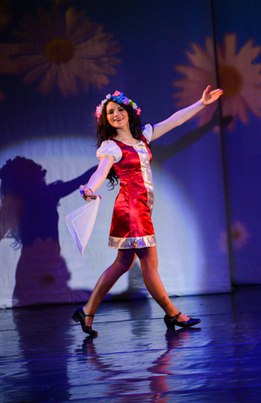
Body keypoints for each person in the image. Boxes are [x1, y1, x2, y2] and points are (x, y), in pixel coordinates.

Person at [72, 85, 223, 337]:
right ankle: (173, 314)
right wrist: (89, 188)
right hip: (131, 211)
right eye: (110, 112)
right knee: (149, 265)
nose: (116, 115)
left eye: (119, 110)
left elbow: (174, 121)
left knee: (122, 263)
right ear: (105, 119)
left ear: (129, 111)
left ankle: (87, 310)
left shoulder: (142, 136)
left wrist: (201, 103)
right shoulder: (111, 147)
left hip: (140, 209)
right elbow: (101, 171)